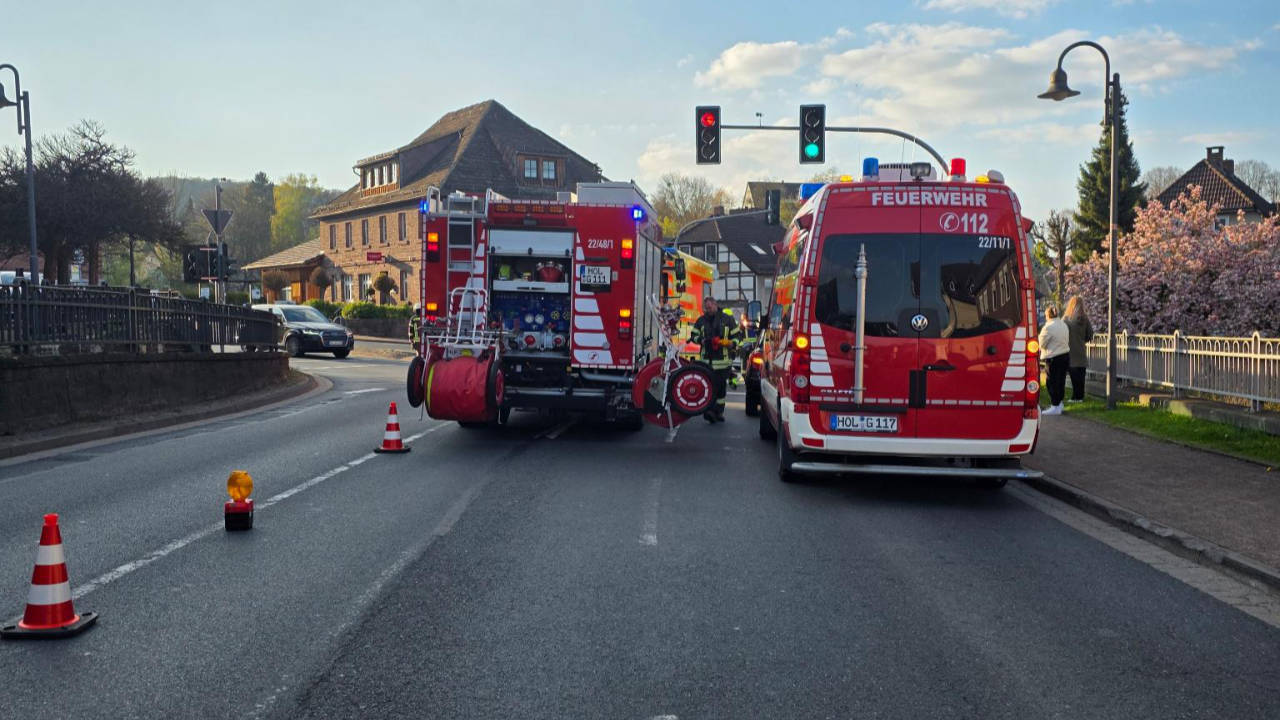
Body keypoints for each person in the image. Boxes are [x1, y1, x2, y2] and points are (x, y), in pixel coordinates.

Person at [690, 296, 742, 423]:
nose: (708, 310)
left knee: (720, 388)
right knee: (708, 387)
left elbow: (737, 336)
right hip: (706, 362)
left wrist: (730, 343)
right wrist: (701, 340)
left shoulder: (727, 319)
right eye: (706, 308)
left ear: (715, 305)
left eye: (709, 307)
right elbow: (693, 336)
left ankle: (718, 412)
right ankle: (710, 411)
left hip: (723, 362)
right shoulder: (701, 321)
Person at [1038, 305, 1070, 415]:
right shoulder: (1063, 324)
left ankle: (1054, 405)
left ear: (1047, 315)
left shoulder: (1048, 327)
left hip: (1053, 357)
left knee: (1051, 382)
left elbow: (1042, 343)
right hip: (1065, 355)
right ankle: (1059, 403)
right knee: (1060, 381)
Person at [1064, 295, 1093, 403]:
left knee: (1074, 377)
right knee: (1081, 377)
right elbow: (1090, 334)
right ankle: (1080, 396)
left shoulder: (1067, 319)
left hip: (1071, 351)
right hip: (1081, 351)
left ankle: (1076, 397)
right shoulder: (1085, 319)